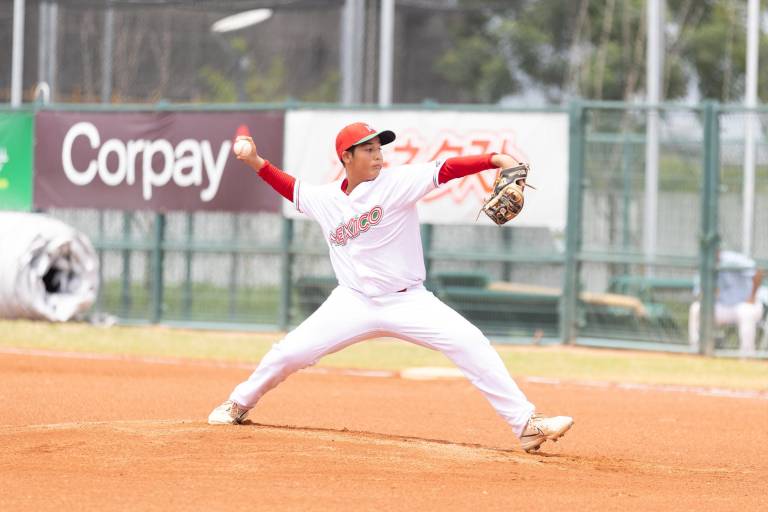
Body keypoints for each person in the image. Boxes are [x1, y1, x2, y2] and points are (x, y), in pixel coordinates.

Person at [208, 122, 574, 453]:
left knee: (470, 342)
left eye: (380, 148)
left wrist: (497, 159)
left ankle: (526, 425)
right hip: (352, 302)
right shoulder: (326, 199)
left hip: (408, 301)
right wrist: (256, 161)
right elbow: (290, 188)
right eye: (368, 149)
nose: (378, 155)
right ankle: (238, 404)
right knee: (289, 354)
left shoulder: (398, 183)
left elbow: (447, 169)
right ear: (346, 157)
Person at [688, 250, 765, 357]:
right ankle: (697, 350)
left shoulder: (733, 259)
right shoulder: (704, 264)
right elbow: (698, 294)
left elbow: (758, 271)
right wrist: (708, 292)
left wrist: (752, 297)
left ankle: (747, 356)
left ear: (718, 250)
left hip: (744, 305)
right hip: (722, 308)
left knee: (746, 312)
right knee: (696, 308)